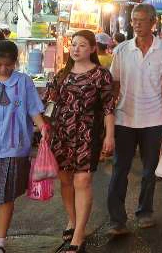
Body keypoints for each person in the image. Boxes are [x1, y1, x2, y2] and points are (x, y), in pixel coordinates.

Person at [107, 4, 162, 236]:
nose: (136, 24)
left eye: (141, 20)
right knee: (120, 168)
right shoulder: (121, 50)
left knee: (150, 169)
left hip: (154, 118)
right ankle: (117, 219)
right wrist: (108, 118)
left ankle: (145, 211)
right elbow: (115, 85)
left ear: (153, 23)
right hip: (124, 117)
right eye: (134, 20)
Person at [45, 31, 115, 253]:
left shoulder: (101, 74)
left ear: (93, 48)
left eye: (82, 45)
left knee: (82, 181)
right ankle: (73, 220)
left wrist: (110, 135)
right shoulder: (62, 74)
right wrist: (44, 127)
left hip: (88, 134)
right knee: (65, 180)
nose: (76, 49)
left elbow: (109, 107)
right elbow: (50, 102)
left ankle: (78, 235)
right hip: (61, 133)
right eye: (74, 45)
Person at [0, 40, 46, 253]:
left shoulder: (23, 82)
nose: (4, 69)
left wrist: (43, 127)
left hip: (14, 147)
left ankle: (0, 242)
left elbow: (33, 109)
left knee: (6, 195)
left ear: (16, 62)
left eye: (8, 64)